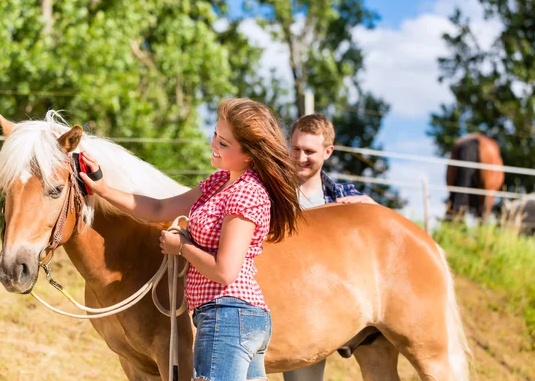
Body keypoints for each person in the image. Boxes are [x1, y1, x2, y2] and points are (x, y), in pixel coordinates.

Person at [80, 98, 302, 381]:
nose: (213, 145)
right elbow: (158, 209)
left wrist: (182, 247)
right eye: (215, 135)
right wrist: (103, 188)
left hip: (227, 317)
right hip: (233, 318)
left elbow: (224, 272)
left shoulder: (246, 194)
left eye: (224, 144)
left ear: (248, 155)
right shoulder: (219, 182)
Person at [283, 113, 376, 381]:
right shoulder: (271, 191)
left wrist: (370, 204)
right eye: (296, 148)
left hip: (327, 304)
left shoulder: (343, 196)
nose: (300, 158)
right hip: (285, 304)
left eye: (309, 151)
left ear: (328, 152)